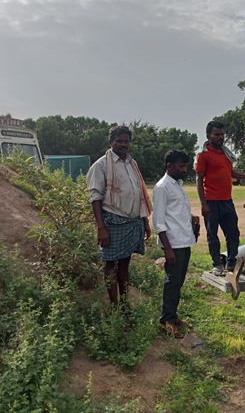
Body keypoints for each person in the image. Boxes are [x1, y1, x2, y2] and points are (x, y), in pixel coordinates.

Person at [86, 125, 152, 307]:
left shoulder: (132, 164)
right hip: (112, 222)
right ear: (111, 142)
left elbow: (139, 194)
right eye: (119, 141)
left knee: (125, 264)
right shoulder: (100, 165)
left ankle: (124, 303)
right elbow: (95, 199)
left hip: (132, 221)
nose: (123, 144)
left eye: (126, 141)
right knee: (110, 264)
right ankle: (114, 305)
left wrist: (144, 221)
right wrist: (101, 228)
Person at [195, 120, 245, 276]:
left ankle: (231, 263)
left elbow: (231, 173)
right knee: (213, 235)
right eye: (217, 134)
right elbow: (199, 180)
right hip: (211, 202)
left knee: (233, 233)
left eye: (222, 134)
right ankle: (217, 265)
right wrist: (203, 204)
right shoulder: (203, 155)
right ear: (208, 136)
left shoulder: (226, 155)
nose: (221, 137)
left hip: (227, 201)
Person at [152, 150, 198, 339]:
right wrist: (168, 249)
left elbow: (176, 213)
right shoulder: (162, 187)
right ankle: (166, 320)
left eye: (185, 166)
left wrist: (192, 218)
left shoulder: (177, 185)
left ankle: (173, 315)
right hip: (173, 244)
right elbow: (159, 221)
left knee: (178, 282)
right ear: (169, 166)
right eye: (181, 166)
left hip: (183, 241)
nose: (185, 170)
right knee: (172, 283)